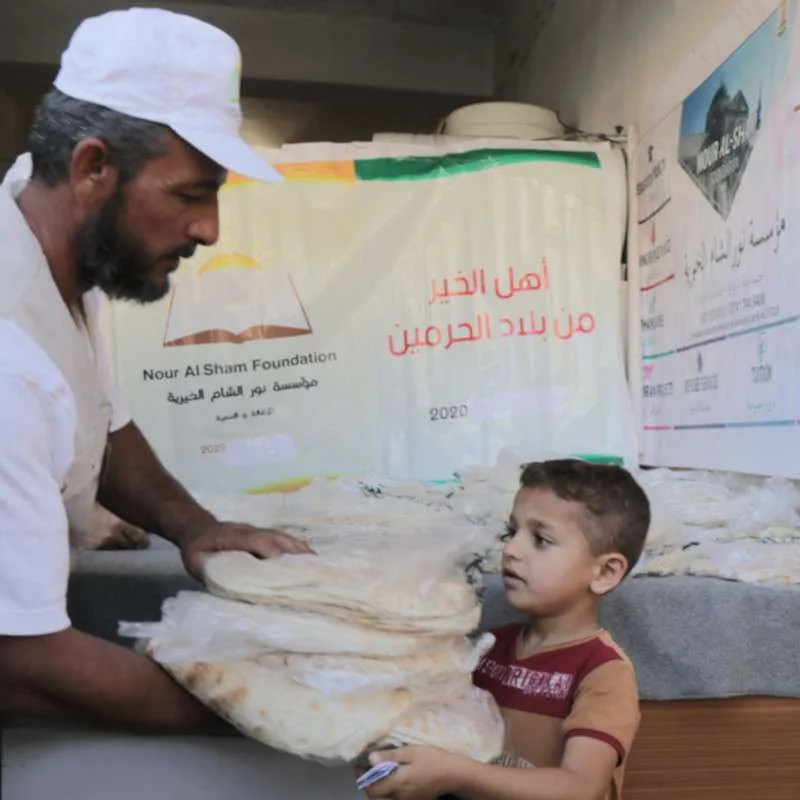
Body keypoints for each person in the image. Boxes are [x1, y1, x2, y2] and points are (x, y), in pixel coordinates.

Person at [0, 7, 313, 729]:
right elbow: (20, 665)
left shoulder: (47, 230)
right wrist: (265, 714)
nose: (208, 230)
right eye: (189, 193)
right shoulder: (9, 362)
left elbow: (100, 422)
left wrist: (194, 526)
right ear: (92, 167)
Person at [364, 459, 651, 800]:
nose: (511, 550)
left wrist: (456, 774)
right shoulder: (492, 646)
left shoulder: (604, 672)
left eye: (541, 539)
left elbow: (579, 789)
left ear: (605, 572)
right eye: (511, 532)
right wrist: (401, 767)